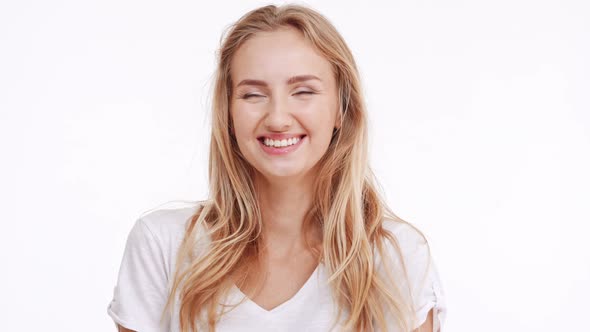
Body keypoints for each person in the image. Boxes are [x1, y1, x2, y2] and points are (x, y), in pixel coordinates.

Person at [107, 4, 446, 332]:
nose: (278, 118)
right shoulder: (162, 244)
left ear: (341, 109)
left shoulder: (395, 256)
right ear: (228, 114)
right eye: (253, 95)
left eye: (303, 91)